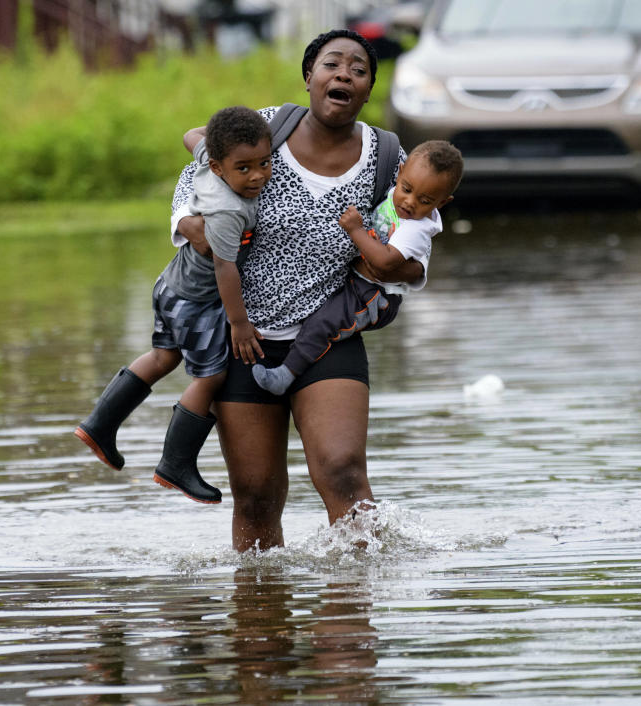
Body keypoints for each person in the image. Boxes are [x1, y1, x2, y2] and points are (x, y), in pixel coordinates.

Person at [172, 29, 423, 551]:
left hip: (328, 333)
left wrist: (407, 267)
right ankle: (260, 619)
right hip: (243, 335)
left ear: (367, 90)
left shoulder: (388, 158)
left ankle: (355, 614)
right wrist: (190, 225)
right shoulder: (266, 128)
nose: (344, 74)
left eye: (359, 69)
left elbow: (416, 226)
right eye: (332, 64)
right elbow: (196, 173)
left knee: (343, 472)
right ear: (309, 76)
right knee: (256, 494)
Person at [74, 106, 272, 505]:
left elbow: (190, 134)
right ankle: (176, 463)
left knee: (163, 356)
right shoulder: (228, 210)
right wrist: (239, 324)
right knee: (211, 377)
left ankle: (99, 424)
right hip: (197, 301)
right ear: (218, 168)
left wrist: (217, 138)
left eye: (264, 163)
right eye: (244, 168)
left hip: (169, 287)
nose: (257, 176)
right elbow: (224, 267)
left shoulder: (207, 159)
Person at [252, 140, 463, 394]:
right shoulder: (394, 196)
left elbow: (384, 262)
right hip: (358, 283)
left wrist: (355, 230)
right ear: (400, 172)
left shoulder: (416, 228)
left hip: (373, 296)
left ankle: (285, 376)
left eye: (425, 200)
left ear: (441, 203)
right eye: (406, 189)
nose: (409, 202)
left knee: (323, 323)